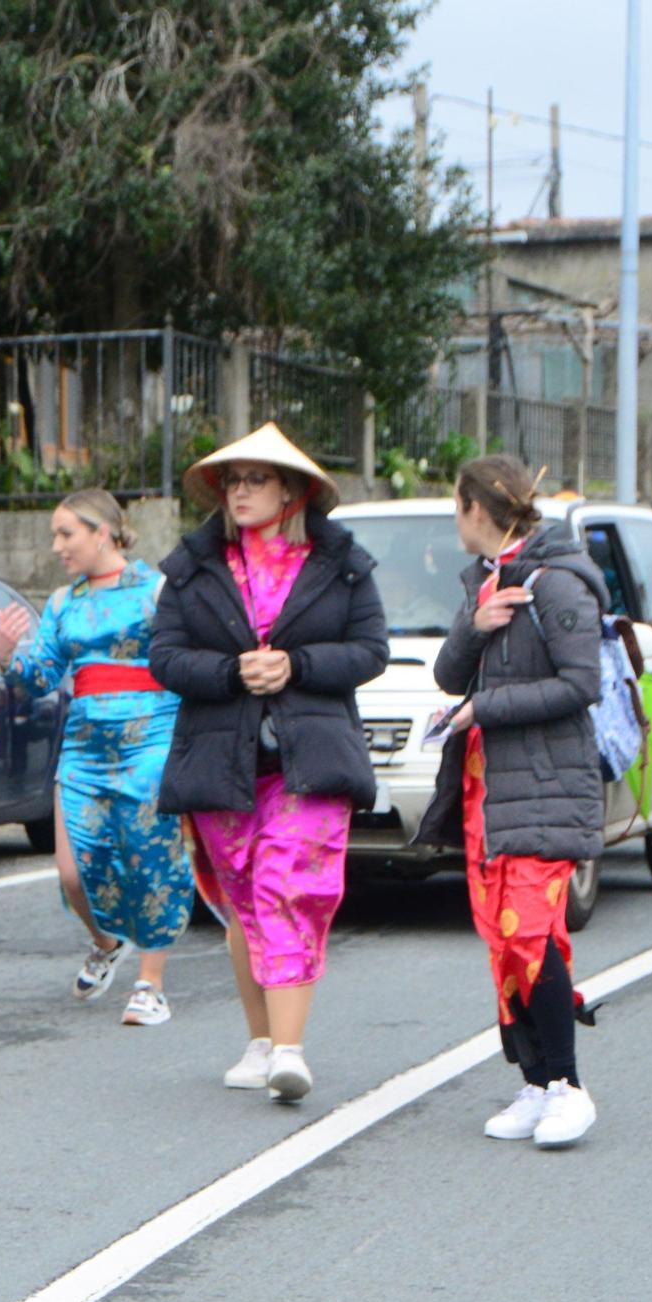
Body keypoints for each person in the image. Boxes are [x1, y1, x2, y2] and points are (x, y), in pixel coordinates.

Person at [152, 423, 385, 1103]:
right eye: (233, 480)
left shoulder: (342, 563)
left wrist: (297, 665)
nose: (241, 491)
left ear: (293, 490)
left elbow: (370, 648)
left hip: (309, 759)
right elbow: (164, 656)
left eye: (256, 479)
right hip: (223, 761)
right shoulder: (194, 565)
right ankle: (260, 1042)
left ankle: (289, 1049)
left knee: (291, 888)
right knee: (245, 900)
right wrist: (231, 670)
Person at [416, 455, 605, 1149]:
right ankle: (534, 1079)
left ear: (478, 508)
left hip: (546, 781)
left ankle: (568, 1085)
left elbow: (581, 683)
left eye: (455, 504)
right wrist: (478, 621)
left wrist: (483, 709)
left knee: (527, 929)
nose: (454, 517)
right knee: (505, 938)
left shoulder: (558, 582)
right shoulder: (490, 578)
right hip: (486, 783)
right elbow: (447, 673)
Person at [0, 489, 188, 1024]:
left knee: (150, 858)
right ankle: (106, 942)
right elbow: (38, 680)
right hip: (83, 744)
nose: (57, 546)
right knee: (73, 873)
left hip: (151, 735)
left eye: (66, 534)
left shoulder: (157, 590)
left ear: (101, 533)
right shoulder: (62, 602)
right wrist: (5, 655)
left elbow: (186, 658)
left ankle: (151, 984)